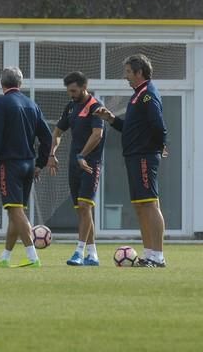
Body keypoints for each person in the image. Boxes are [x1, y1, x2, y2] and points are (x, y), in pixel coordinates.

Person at [94, 54, 168, 267]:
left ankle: (158, 257)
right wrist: (111, 119)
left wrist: (158, 146)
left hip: (144, 156)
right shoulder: (137, 96)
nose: (125, 76)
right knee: (140, 206)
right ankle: (148, 254)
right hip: (134, 157)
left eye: (128, 72)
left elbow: (158, 125)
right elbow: (130, 128)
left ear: (139, 72)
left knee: (150, 204)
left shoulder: (147, 95)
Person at [0, 67, 52, 268]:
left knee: (15, 210)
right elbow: (47, 137)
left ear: (1, 83)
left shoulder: (0, 103)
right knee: (16, 211)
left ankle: (33, 257)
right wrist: (40, 163)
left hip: (11, 164)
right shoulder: (32, 105)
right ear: (20, 84)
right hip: (29, 164)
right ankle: (5, 257)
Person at [47, 71, 106, 266]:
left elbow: (97, 135)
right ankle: (93, 254)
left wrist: (83, 155)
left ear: (83, 87)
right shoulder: (71, 107)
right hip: (74, 165)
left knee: (84, 206)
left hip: (90, 165)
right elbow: (57, 131)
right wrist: (52, 154)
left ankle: (79, 252)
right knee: (82, 211)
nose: (71, 94)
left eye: (73, 90)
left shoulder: (95, 107)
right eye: (68, 91)